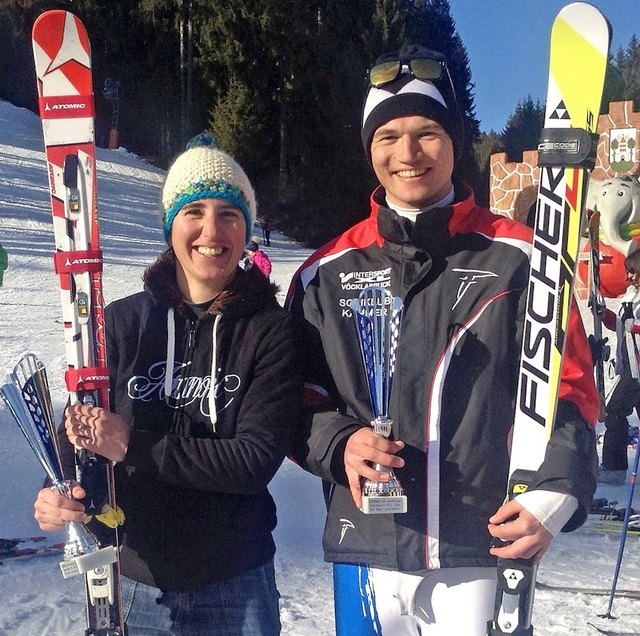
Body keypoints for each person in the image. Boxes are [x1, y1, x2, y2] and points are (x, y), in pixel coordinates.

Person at [287, 44, 599, 635]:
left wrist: (555, 496)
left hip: (484, 547)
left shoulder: (525, 259)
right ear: (369, 149)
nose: (407, 154)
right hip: (368, 548)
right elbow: (293, 398)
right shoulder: (324, 273)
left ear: (456, 141)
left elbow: (575, 390)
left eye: (427, 132)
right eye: (388, 136)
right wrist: (339, 443)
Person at [33, 133, 304, 635]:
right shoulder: (117, 324)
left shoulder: (270, 330)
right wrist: (58, 487)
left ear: (247, 228)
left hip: (234, 582)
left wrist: (129, 443)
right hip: (134, 580)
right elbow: (77, 427)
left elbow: (252, 462)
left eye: (229, 213)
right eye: (193, 211)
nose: (211, 229)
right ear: (170, 225)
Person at [597, 249, 640, 486]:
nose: (629, 277)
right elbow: (622, 327)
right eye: (628, 272)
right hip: (630, 367)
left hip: (636, 370)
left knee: (614, 411)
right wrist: (605, 316)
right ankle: (614, 469)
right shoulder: (630, 295)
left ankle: (614, 469)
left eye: (633, 271)